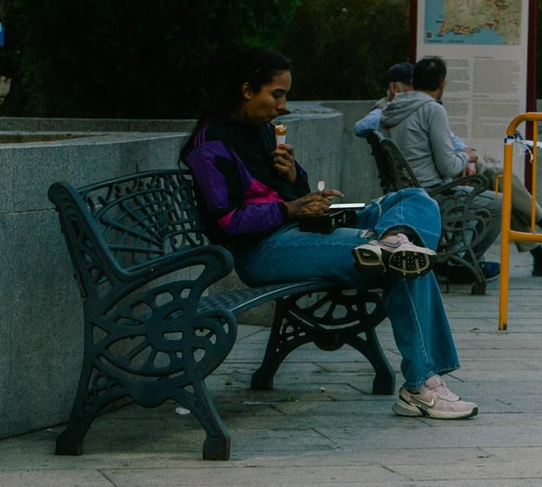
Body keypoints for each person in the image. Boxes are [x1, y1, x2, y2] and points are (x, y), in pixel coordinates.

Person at [181, 44, 478, 419]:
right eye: (277, 94)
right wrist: (289, 207)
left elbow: (291, 194)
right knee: (405, 263)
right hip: (264, 250)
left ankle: (394, 237)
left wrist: (293, 177)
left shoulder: (260, 131)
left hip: (301, 231)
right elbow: (225, 221)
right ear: (246, 91)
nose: (283, 106)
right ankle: (421, 385)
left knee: (415, 199)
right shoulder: (210, 146)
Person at [380, 55, 542, 278]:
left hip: (406, 188)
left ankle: (541, 250)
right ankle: (467, 261)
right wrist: (467, 157)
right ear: (442, 83)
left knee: (499, 182)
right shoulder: (432, 109)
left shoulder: (392, 108)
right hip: (433, 191)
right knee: (499, 202)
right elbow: (448, 167)